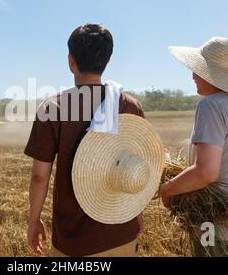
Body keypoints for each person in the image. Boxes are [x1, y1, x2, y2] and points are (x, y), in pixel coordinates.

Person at [24, 24, 145, 257]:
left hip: (75, 241)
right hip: (122, 232)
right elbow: (136, 167)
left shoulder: (53, 108)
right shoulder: (130, 105)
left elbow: (40, 176)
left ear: (71, 60)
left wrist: (33, 220)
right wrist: (137, 216)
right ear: (108, 60)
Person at [161, 37, 228, 257]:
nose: (192, 75)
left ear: (212, 74)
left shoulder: (211, 105)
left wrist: (168, 189)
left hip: (221, 233)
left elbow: (206, 172)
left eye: (197, 70)